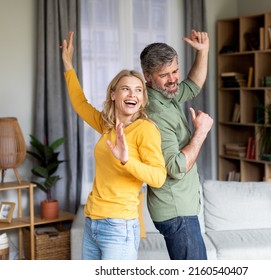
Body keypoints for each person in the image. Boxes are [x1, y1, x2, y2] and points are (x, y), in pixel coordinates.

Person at [61, 31, 166, 260]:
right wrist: (68, 64)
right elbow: (80, 102)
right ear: (113, 94)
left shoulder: (145, 130)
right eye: (126, 88)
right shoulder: (107, 125)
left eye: (139, 90)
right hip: (92, 222)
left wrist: (127, 159)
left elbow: (158, 177)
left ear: (143, 98)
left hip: (120, 226)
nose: (133, 94)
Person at [139, 29, 212, 260]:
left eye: (175, 71)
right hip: (177, 211)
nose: (173, 79)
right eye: (164, 75)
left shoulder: (165, 94)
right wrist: (200, 132)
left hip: (181, 208)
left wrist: (203, 52)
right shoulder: (156, 112)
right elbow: (176, 166)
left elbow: (192, 86)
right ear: (148, 76)